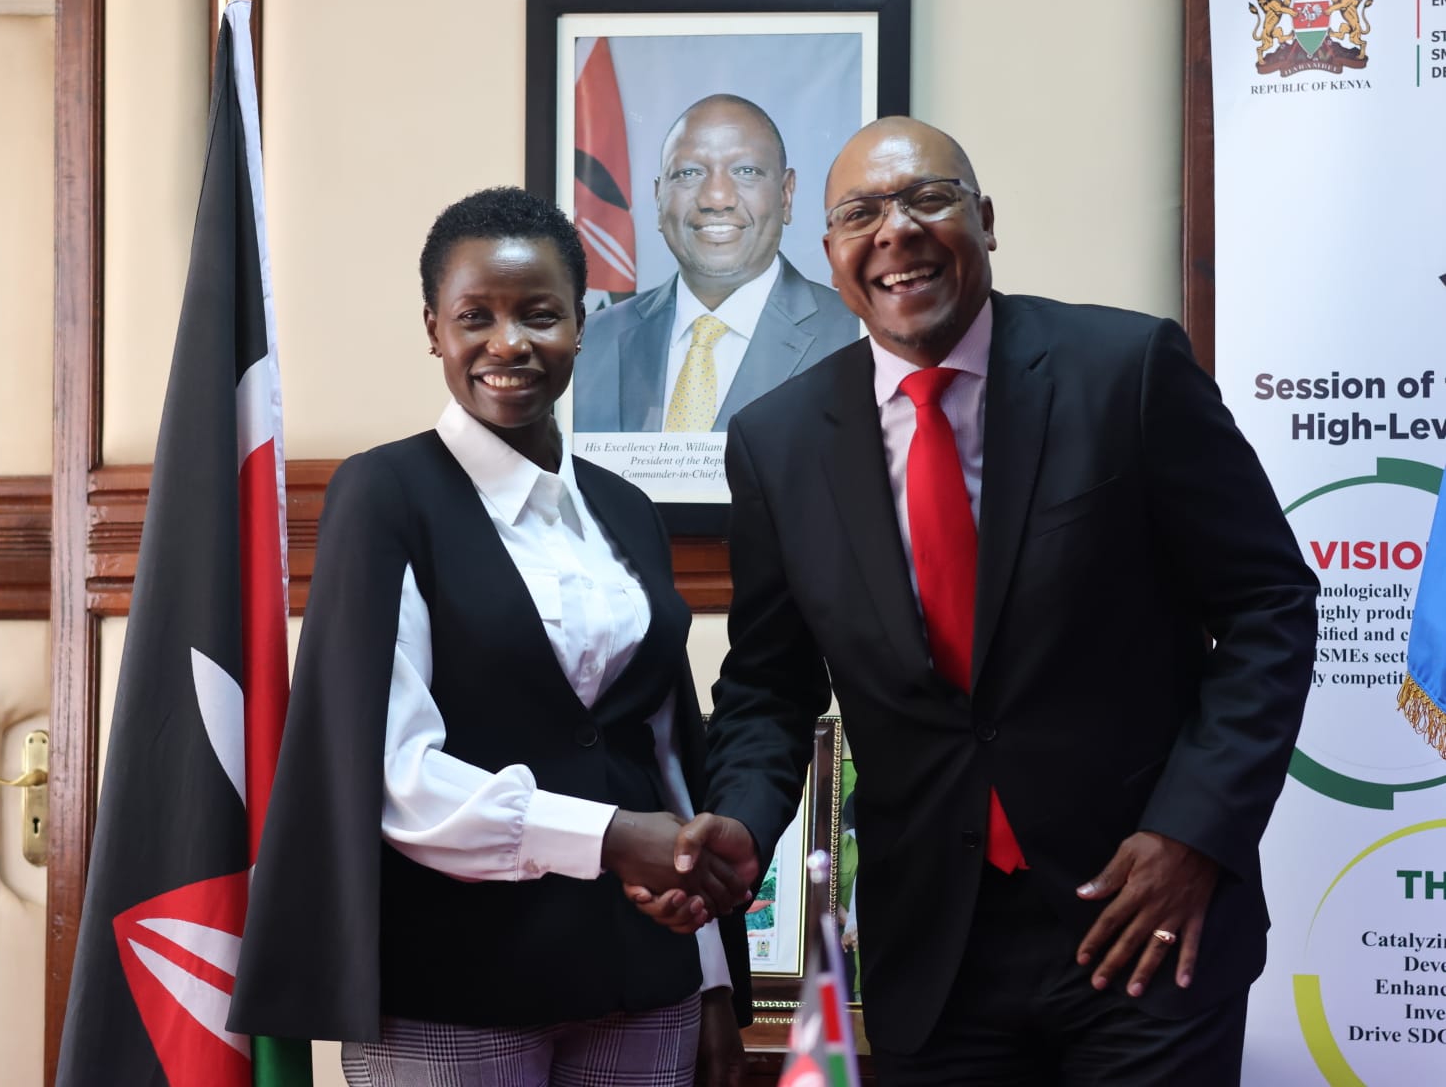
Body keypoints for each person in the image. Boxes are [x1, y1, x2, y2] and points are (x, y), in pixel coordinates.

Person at [631, 119, 1319, 1084]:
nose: (896, 231)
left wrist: (1192, 833)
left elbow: (1268, 608)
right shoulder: (778, 442)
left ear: (985, 222)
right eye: (861, 213)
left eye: (929, 200)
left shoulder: (1126, 371)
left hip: (1147, 924)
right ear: (830, 256)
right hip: (934, 949)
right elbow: (768, 687)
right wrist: (741, 824)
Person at [228, 187, 751, 1086]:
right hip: (453, 988)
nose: (509, 343)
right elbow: (396, 778)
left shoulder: (626, 509)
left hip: (644, 982)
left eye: (539, 315)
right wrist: (611, 836)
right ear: (434, 329)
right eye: (477, 316)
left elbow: (665, 751)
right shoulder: (383, 495)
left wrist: (711, 983)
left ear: (582, 324)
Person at [573, 94, 860, 433]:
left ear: (786, 194)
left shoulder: (856, 337)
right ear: (658, 198)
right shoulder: (588, 344)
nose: (716, 198)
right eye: (689, 173)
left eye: (746, 171)